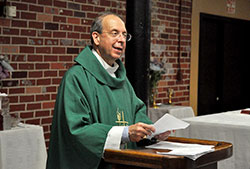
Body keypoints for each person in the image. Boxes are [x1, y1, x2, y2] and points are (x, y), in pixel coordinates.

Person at [46, 12, 171, 169]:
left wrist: (151, 132)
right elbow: (76, 130)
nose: (121, 40)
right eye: (114, 33)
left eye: (124, 35)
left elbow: (136, 111)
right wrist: (125, 133)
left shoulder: (121, 78)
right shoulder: (76, 78)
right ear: (96, 38)